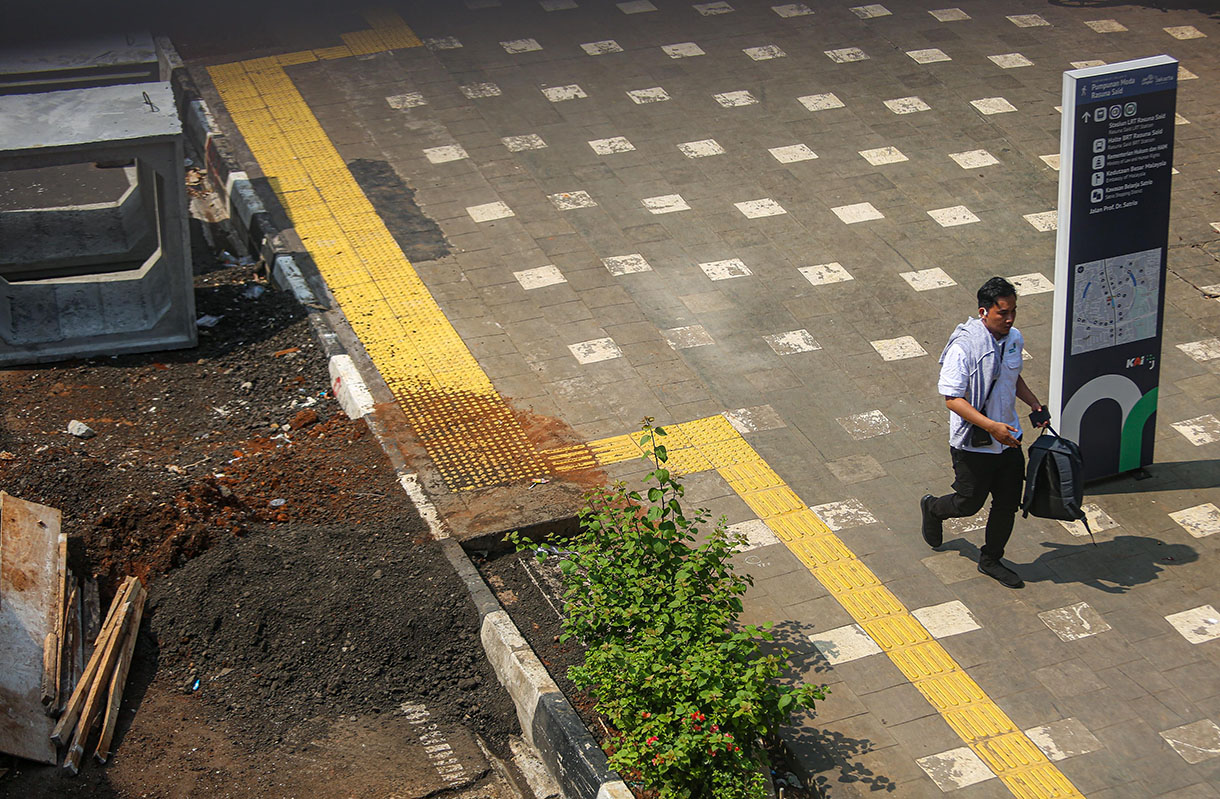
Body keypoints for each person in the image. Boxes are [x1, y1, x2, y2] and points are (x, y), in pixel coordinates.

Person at [920, 277, 1050, 588]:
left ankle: (991, 558)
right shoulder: (964, 349)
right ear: (983, 312)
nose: (1009, 319)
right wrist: (991, 426)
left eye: (1013, 311)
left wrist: (1033, 404)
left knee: (1007, 504)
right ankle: (933, 508)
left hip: (1009, 440)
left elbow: (1012, 376)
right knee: (969, 503)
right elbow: (953, 399)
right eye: (1002, 313)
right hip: (974, 443)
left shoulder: (1014, 338)